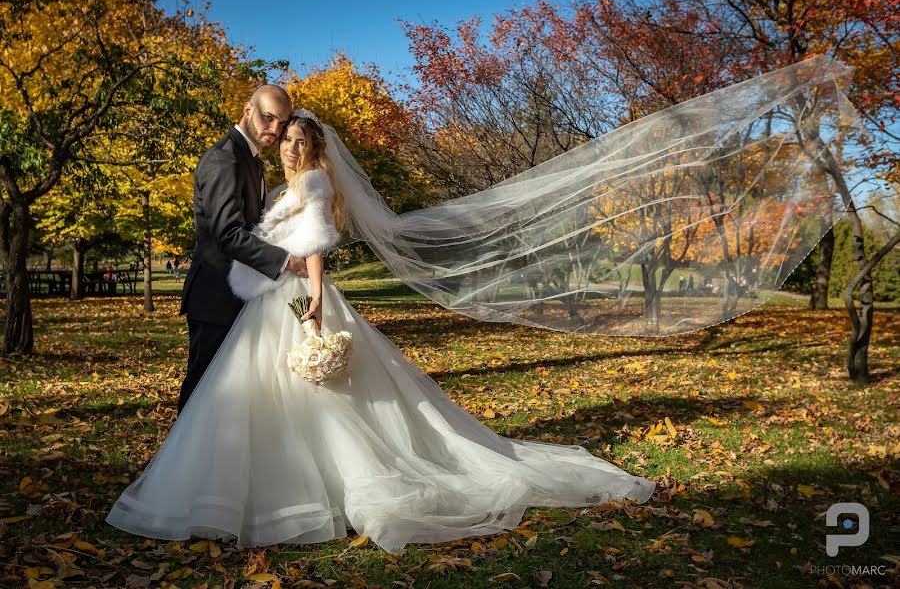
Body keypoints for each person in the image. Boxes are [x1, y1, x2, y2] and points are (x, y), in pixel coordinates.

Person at [107, 111, 654, 555]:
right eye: (285, 138)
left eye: (299, 139)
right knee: (258, 396)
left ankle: (305, 489)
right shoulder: (281, 182)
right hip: (270, 298)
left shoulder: (314, 182)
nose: (290, 147)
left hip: (296, 297)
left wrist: (315, 300)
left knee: (311, 399)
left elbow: (315, 240)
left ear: (316, 149)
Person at [176, 86, 308, 414]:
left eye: (282, 122)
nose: (275, 130)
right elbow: (227, 233)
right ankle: (182, 464)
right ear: (248, 110)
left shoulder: (250, 159)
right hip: (215, 296)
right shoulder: (224, 158)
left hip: (240, 294)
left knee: (227, 396)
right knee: (202, 389)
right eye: (268, 117)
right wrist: (285, 260)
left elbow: (254, 225)